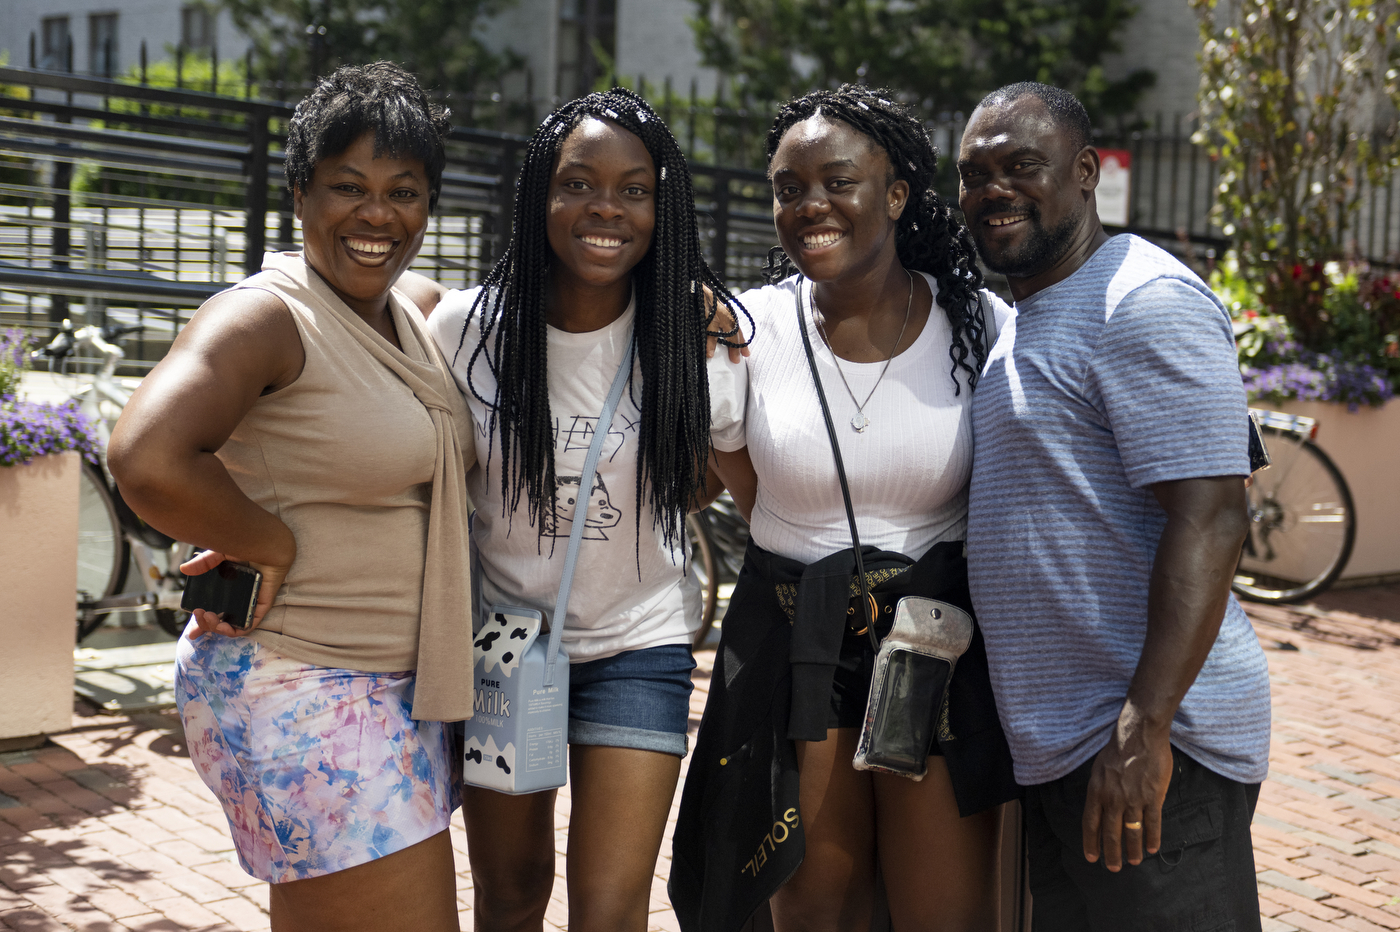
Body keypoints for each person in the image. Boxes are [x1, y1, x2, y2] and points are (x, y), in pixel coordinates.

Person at [108, 63, 474, 932]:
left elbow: (550, 316)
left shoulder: (410, 311)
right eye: (348, 186)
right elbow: (145, 457)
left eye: (404, 191)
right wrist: (263, 538)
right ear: (300, 193)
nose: (377, 214)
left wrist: (697, 310)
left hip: (390, 686)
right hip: (301, 679)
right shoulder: (267, 317)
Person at [672, 85, 1020, 932]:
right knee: (817, 907)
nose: (810, 205)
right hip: (795, 644)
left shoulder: (979, 325)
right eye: (789, 188)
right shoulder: (748, 331)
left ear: (896, 195)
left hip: (934, 651)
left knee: (944, 911)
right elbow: (718, 488)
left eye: (837, 181)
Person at [422, 88, 749, 932]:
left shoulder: (690, 335)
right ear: (540, 192)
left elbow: (712, 472)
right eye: (578, 183)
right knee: (510, 892)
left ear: (661, 205)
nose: (606, 207)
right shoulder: (469, 331)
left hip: (637, 647)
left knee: (608, 912)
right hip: (503, 645)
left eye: (634, 189)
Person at [957, 82, 1268, 930]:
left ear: (1086, 172)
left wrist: (1144, 725)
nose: (994, 191)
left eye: (1023, 166)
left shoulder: (1142, 301)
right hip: (1066, 745)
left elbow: (1212, 517)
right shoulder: (1031, 312)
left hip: (1149, 745)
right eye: (974, 174)